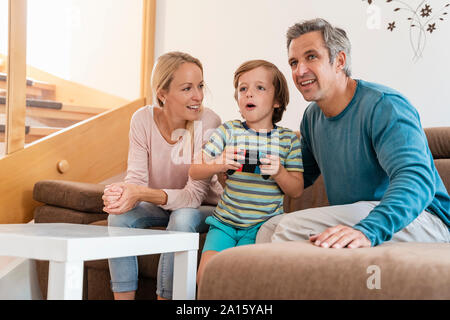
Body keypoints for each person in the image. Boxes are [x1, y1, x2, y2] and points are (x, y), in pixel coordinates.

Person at [256, 18, 450, 248]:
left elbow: (417, 180)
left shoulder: (384, 106)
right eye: (293, 62)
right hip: (360, 213)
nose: (300, 71)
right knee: (269, 228)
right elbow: (299, 175)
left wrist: (368, 230)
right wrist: (248, 170)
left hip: (424, 219)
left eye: (311, 57)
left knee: (289, 228)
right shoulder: (312, 117)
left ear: (339, 60)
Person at [102, 51, 223, 300]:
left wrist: (140, 193)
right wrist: (121, 195)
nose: (198, 96)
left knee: (182, 217)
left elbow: (192, 197)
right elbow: (135, 180)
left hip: (205, 206)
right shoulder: (142, 119)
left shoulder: (209, 122)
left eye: (200, 86)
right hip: (162, 204)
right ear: (162, 93)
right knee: (119, 217)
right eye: (187, 88)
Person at [190, 60, 304, 284]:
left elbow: (297, 190)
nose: (249, 94)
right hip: (224, 223)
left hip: (261, 226)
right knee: (205, 278)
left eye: (259, 88)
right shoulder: (228, 131)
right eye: (243, 88)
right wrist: (219, 163)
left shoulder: (288, 140)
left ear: (277, 101)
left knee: (238, 279)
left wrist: (279, 172)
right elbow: (194, 171)